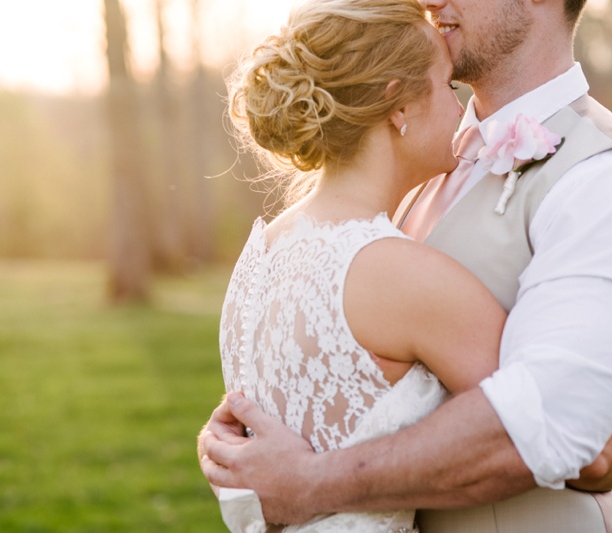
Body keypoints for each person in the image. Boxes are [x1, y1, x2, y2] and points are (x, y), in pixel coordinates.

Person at [200, 0, 612, 531]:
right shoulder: (417, 169)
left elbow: (559, 426)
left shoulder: (609, 183)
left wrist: (307, 482)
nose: (431, 0)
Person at [214, 1, 510, 530]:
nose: (460, 111)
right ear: (398, 105)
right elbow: (566, 426)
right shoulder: (398, 274)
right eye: (448, 88)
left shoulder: (261, 252)